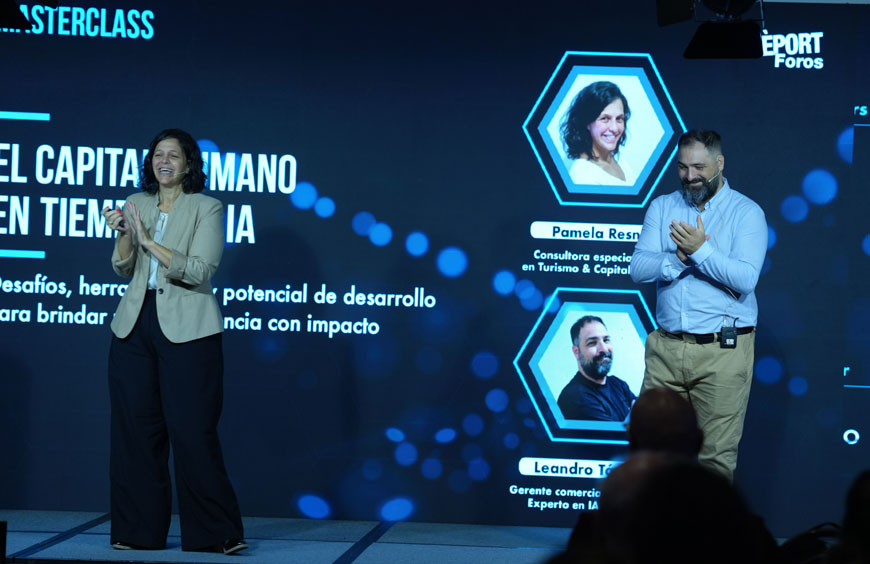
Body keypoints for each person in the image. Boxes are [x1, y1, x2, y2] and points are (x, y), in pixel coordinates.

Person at [100, 129, 246, 555]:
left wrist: (149, 241)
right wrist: (125, 233)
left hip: (189, 329)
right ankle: (137, 532)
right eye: (158, 155)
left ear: (188, 165)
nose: (164, 161)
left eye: (173, 156)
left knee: (192, 431)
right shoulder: (136, 202)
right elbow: (122, 267)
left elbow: (199, 270)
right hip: (133, 326)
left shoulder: (207, 206)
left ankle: (215, 534)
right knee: (135, 433)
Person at [630, 129, 767, 482]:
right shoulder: (663, 207)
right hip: (665, 350)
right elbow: (638, 269)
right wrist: (676, 258)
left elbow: (745, 279)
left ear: (719, 164)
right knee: (648, 454)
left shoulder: (747, 213)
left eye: (699, 167)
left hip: (723, 352)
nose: (690, 176)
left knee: (713, 461)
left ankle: (704, 523)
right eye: (682, 167)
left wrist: (700, 251)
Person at [557, 316, 636, 422]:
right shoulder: (574, 397)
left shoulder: (619, 384)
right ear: (576, 352)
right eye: (592, 343)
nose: (604, 349)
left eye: (606, 340)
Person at [561, 80, 634, 185]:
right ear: (586, 122)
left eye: (619, 118)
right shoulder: (583, 175)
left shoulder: (617, 158)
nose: (614, 128)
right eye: (604, 118)